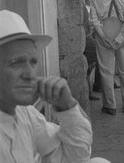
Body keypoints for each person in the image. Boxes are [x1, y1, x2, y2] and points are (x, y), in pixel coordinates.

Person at [0, 10, 110, 163]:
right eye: (16, 62)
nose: (30, 74)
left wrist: (67, 106)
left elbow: (76, 156)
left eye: (33, 62)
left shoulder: (25, 114)